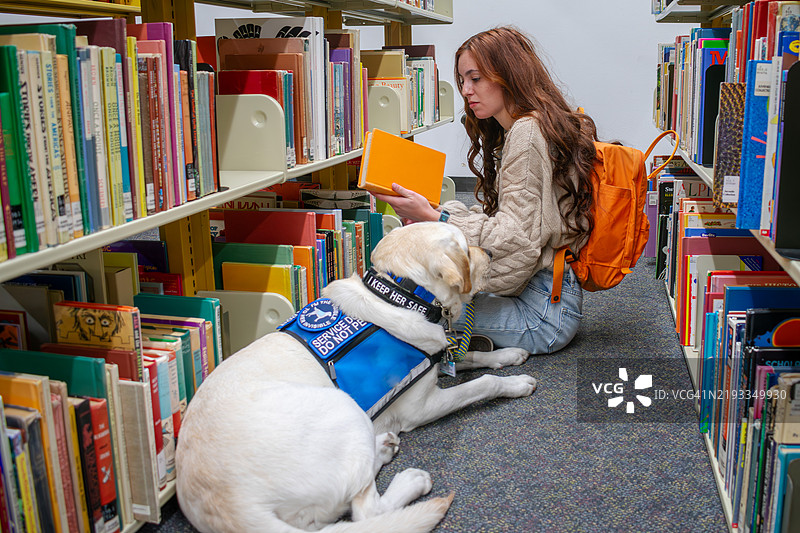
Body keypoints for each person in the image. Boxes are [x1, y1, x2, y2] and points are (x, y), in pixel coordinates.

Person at [372, 26, 598, 355]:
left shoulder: (527, 132)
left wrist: (438, 217)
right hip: (542, 292)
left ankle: (479, 356)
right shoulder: (529, 125)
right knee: (412, 296)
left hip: (542, 313)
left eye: (475, 78)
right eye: (462, 80)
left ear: (508, 74)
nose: (466, 90)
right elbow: (516, 223)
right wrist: (438, 213)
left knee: (399, 308)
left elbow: (516, 239)